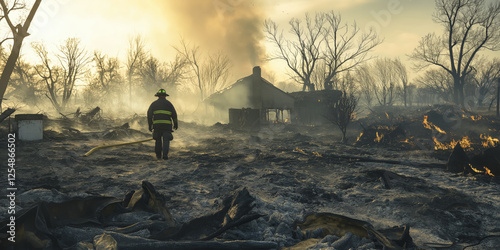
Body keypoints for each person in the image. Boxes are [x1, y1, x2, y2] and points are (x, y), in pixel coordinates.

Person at [147, 89, 178, 160]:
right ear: (165, 96)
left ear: (158, 96)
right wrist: (175, 124)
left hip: (157, 126)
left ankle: (158, 156)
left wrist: (150, 125)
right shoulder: (169, 104)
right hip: (167, 126)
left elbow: (149, 115)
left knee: (158, 140)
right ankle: (165, 155)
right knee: (166, 140)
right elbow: (174, 115)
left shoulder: (153, 104)